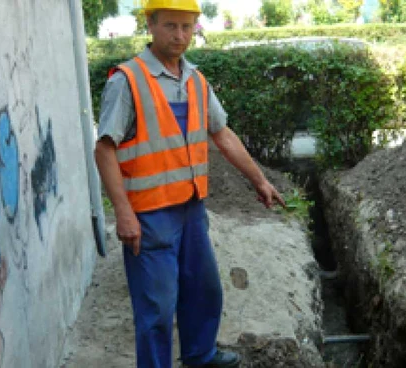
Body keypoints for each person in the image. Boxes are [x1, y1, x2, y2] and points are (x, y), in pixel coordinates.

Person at [94, 1, 285, 367]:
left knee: (203, 291)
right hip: (150, 216)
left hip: (191, 209)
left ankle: (200, 356)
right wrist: (123, 213)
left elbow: (222, 134)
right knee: (157, 308)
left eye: (187, 27)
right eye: (170, 26)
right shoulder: (128, 80)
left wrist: (259, 180)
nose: (180, 36)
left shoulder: (195, 80)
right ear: (150, 24)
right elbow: (104, 149)